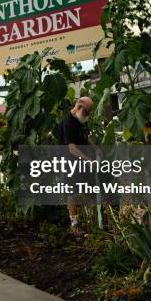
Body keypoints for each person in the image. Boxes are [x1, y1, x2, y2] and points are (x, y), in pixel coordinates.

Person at [58, 97, 96, 236]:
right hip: (70, 163)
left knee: (87, 190)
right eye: (87, 112)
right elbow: (72, 148)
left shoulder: (81, 121)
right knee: (72, 193)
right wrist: (88, 160)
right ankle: (74, 224)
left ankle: (88, 219)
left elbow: (86, 136)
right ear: (79, 107)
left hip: (82, 162)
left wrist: (96, 148)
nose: (88, 115)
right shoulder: (68, 122)